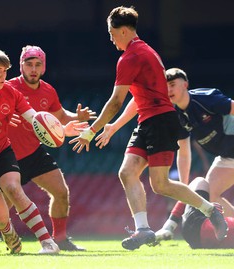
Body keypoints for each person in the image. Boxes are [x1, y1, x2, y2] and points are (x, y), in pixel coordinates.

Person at [68, 6, 228, 250]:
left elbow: (116, 101)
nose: (110, 39)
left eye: (112, 33)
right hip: (147, 121)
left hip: (160, 122)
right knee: (127, 172)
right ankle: (143, 230)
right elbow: (138, 97)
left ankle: (210, 210)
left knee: (160, 184)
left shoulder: (130, 57)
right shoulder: (146, 51)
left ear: (122, 31)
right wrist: (113, 126)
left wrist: (91, 131)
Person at [0, 46, 85, 254]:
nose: (33, 69)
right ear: (22, 66)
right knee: (2, 208)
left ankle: (56, 240)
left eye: (38, 65)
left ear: (43, 68)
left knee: (59, 192)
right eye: (29, 64)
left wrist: (64, 128)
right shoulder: (4, 87)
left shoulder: (46, 90)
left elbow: (47, 118)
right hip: (2, 154)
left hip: (30, 153)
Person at [165, 68, 234, 215]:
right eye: (165, 86)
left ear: (185, 85)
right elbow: (183, 152)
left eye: (172, 84)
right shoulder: (176, 117)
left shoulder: (205, 98)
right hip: (227, 156)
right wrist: (183, 187)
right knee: (210, 196)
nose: (168, 89)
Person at [154, 177, 234, 249]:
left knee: (199, 181)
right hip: (199, 239)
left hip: (196, 227)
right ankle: (168, 227)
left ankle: (168, 226)